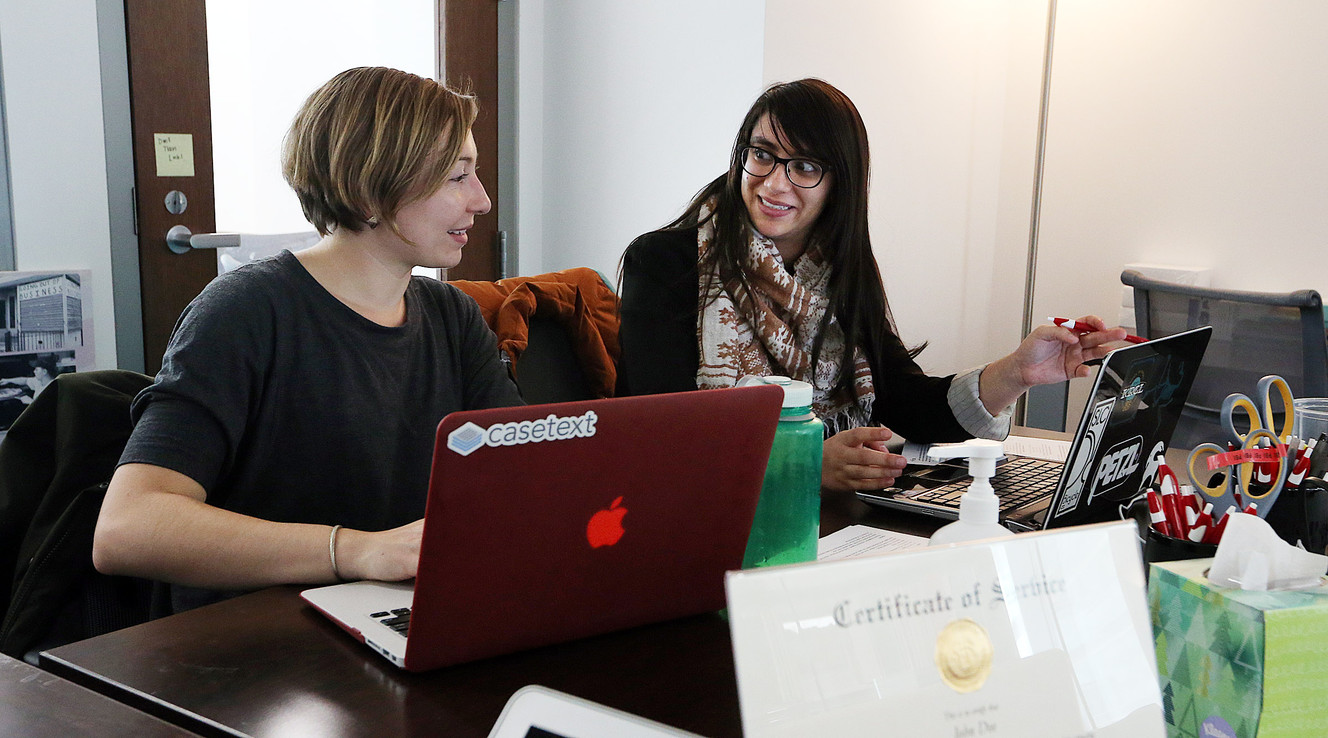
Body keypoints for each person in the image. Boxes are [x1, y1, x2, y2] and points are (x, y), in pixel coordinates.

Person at [93, 67, 523, 612]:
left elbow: (517, 473)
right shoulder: (245, 312)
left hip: (397, 613)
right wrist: (355, 551)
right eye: (456, 176)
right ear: (370, 189)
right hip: (260, 643)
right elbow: (129, 528)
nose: (482, 201)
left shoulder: (452, 316)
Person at [618, 79, 1126, 493]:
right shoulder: (666, 264)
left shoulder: (838, 274)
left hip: (818, 526)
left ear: (841, 183)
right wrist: (805, 465)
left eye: (805, 166)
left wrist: (1016, 372)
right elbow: (661, 435)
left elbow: (906, 401)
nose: (774, 183)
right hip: (692, 524)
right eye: (763, 155)